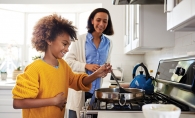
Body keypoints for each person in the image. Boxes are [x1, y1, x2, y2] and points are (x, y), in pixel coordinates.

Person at [11, 13, 112, 118]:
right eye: (64, 44)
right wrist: (53, 101)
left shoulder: (63, 65)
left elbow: (77, 82)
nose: (67, 49)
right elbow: (18, 103)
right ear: (49, 40)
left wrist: (96, 74)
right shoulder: (34, 69)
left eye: (68, 45)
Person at [65, 8, 114, 118]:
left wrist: (106, 70)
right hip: (79, 91)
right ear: (92, 20)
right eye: (98, 20)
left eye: (105, 21)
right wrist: (86, 66)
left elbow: (107, 63)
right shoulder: (79, 40)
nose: (101, 24)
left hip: (96, 93)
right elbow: (68, 62)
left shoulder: (109, 43)